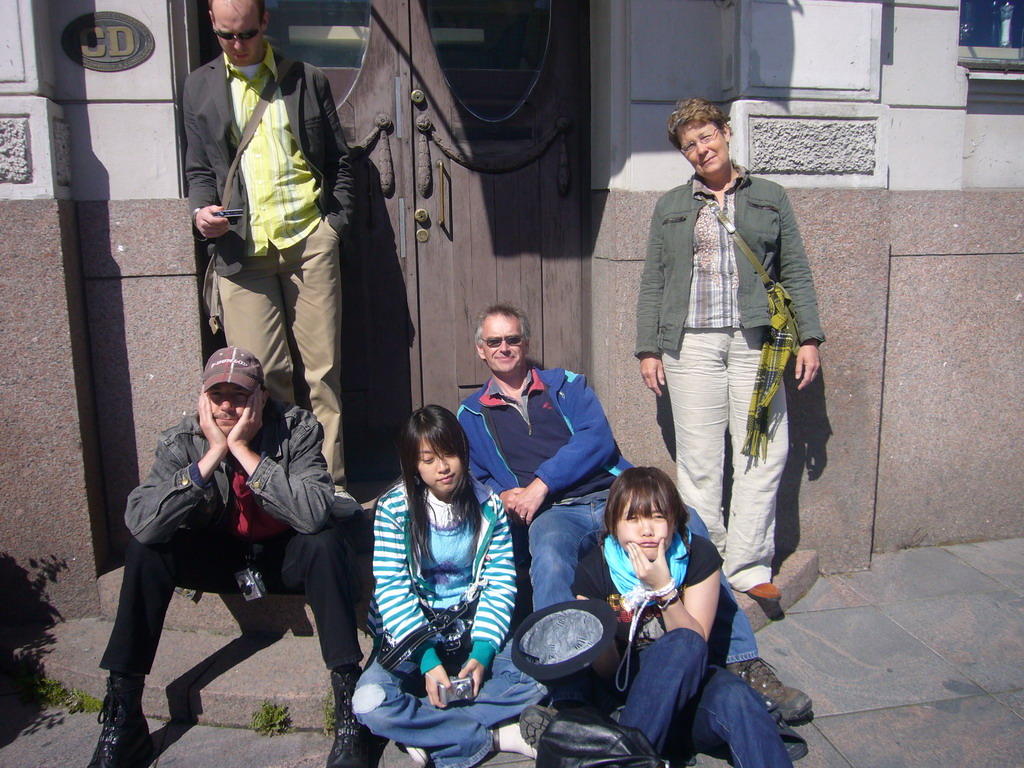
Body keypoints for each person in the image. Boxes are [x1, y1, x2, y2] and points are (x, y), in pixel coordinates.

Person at [458, 304, 811, 721]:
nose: (505, 348)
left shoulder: (566, 386)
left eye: (512, 339)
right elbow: (476, 476)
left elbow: (597, 440)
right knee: (549, 556)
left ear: (526, 343)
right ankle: (569, 690)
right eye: (494, 341)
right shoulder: (472, 414)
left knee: (689, 526)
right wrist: (506, 495)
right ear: (481, 349)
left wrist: (538, 486)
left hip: (614, 496)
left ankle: (741, 659)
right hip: (556, 513)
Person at [87, 348, 366, 768]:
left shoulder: (298, 427)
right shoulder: (182, 439)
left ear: (261, 398)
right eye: (216, 394)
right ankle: (123, 716)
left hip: (283, 553)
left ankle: (349, 708)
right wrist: (212, 456)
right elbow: (142, 522)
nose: (225, 405)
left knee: (324, 543)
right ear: (202, 397)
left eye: (238, 394)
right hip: (221, 556)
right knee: (146, 551)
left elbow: (310, 513)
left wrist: (242, 451)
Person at [635, 98, 825, 600]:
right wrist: (648, 348)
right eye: (689, 144)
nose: (701, 149)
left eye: (707, 136)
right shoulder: (672, 206)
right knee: (698, 460)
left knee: (764, 453)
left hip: (757, 345)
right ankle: (707, 562)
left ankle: (748, 566)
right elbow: (654, 278)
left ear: (725, 133)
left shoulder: (769, 196)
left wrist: (809, 337)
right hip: (689, 345)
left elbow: (795, 271)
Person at [183, 0, 357, 516]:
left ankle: (332, 487)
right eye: (226, 36)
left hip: (308, 240)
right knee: (267, 378)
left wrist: (334, 226)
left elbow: (338, 160)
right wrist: (201, 214)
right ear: (214, 27)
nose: (238, 45)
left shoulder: (305, 79)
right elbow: (198, 168)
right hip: (242, 253)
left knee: (323, 374)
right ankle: (281, 490)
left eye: (248, 33)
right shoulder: (199, 87)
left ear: (266, 24)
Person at [352, 406, 545, 768]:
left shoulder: (490, 507)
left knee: (542, 675)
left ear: (464, 452)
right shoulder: (395, 510)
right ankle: (497, 736)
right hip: (411, 640)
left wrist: (484, 653)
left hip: (471, 632)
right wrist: (427, 661)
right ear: (414, 465)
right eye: (428, 459)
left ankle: (428, 731)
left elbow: (500, 583)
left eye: (450, 454)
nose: (443, 467)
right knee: (369, 704)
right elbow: (393, 589)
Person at [564, 466, 794, 766]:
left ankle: (624, 760)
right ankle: (630, 757)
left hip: (691, 694)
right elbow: (609, 672)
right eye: (632, 518)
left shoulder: (697, 554)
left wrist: (664, 589)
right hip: (632, 699)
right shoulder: (594, 570)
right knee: (685, 647)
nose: (646, 529)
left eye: (657, 517)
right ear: (613, 524)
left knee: (735, 694)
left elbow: (695, 644)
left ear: (673, 521)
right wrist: (597, 633)